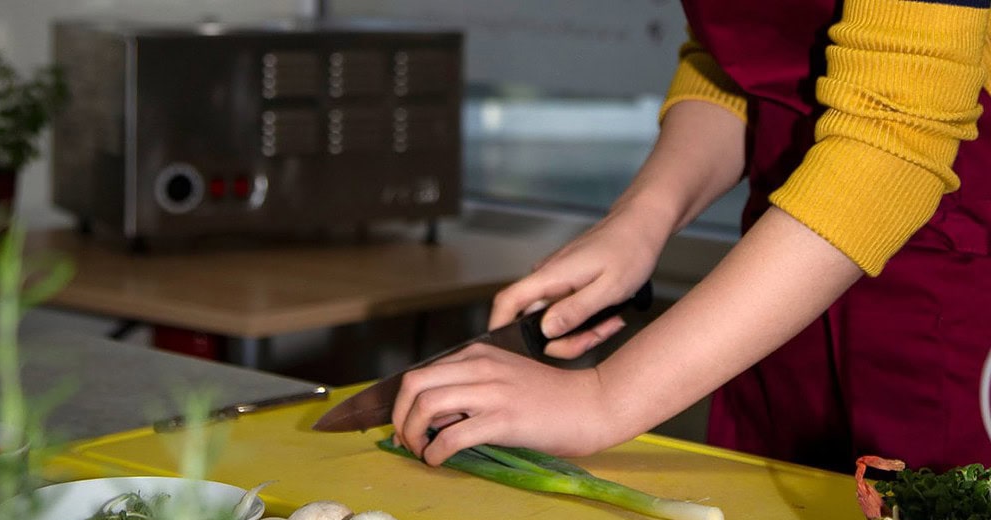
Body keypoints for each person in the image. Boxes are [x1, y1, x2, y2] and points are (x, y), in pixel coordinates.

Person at [391, 0, 991, 475]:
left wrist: (605, 397)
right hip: (768, 294)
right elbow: (740, 61)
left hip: (945, 290)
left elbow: (893, 134)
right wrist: (642, 218)